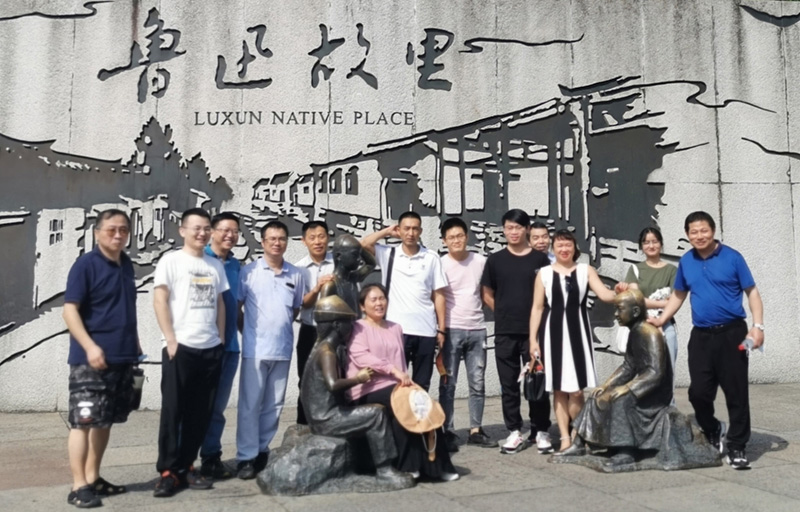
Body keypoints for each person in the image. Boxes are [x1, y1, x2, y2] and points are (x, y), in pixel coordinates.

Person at [649, 211, 764, 470]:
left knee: (736, 392)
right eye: (694, 232)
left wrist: (757, 327)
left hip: (733, 334)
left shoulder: (733, 257)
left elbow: (752, 292)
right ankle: (712, 428)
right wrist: (661, 318)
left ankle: (737, 446)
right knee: (698, 393)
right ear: (687, 234)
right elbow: (678, 295)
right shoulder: (687, 262)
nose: (699, 236)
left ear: (713, 231)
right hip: (701, 336)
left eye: (704, 230)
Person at [63, 209, 140, 508]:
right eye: (111, 230)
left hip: (121, 357)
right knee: (82, 422)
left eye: (123, 230)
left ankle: (93, 477)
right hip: (89, 361)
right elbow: (69, 310)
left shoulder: (126, 264)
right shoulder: (85, 265)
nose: (118, 235)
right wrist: (90, 347)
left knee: (104, 421)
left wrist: (135, 342)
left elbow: (125, 307)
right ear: (97, 233)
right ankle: (78, 486)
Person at [152, 208, 229, 497]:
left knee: (200, 413)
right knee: (173, 412)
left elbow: (220, 303)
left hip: (210, 349)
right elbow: (160, 300)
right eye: (196, 228)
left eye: (207, 228)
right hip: (180, 348)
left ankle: (186, 466)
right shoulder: (171, 260)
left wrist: (221, 338)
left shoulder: (215, 265)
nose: (202, 233)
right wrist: (170, 339)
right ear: (182, 230)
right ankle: (168, 471)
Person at [347, 284, 459, 482]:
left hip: (396, 385)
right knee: (405, 405)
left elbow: (400, 363)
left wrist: (408, 383)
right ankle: (409, 466)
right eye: (373, 300)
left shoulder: (395, 328)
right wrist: (393, 371)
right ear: (362, 306)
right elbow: (362, 357)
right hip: (368, 388)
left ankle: (439, 466)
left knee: (425, 404)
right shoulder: (358, 328)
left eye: (382, 298)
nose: (379, 303)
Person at [301, 294, 413, 489]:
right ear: (337, 325)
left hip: (323, 415)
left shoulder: (324, 348)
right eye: (348, 323)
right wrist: (358, 379)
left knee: (374, 412)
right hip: (325, 419)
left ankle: (372, 462)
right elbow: (333, 384)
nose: (352, 327)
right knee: (376, 414)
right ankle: (385, 470)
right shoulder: (327, 352)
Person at [529, 229, 617, 453]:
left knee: (577, 391)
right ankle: (565, 437)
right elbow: (537, 308)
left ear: (574, 247)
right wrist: (533, 340)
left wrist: (622, 290)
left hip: (579, 334)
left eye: (568, 244)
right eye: (559, 245)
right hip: (552, 335)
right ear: (553, 248)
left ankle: (578, 433)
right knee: (559, 389)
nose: (564, 249)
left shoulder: (585, 270)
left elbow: (605, 295)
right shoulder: (544, 274)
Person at [565, 289, 674, 466]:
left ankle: (625, 451)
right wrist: (606, 385)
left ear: (635, 311)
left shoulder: (650, 334)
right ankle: (579, 443)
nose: (616, 314)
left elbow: (656, 373)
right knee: (597, 395)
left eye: (620, 309)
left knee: (620, 399)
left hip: (655, 392)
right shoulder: (635, 332)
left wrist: (628, 388)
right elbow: (628, 366)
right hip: (643, 384)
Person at [236, 220, 304, 479]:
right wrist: (248, 333)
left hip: (282, 349)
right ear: (263, 242)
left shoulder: (295, 274)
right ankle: (246, 456)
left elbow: (295, 309)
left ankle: (262, 450)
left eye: (281, 238)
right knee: (250, 405)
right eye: (272, 239)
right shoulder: (249, 272)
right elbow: (237, 308)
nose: (277, 243)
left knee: (274, 405)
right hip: (255, 350)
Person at [481, 209, 552, 454]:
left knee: (537, 382)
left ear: (527, 230)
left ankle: (540, 430)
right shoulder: (495, 260)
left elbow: (547, 295)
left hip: (534, 333)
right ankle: (514, 431)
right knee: (508, 384)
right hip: (505, 332)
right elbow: (487, 294)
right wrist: (502, 312)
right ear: (503, 230)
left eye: (518, 227)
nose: (513, 232)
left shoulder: (540, 260)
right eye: (509, 227)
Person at [361, 212, 448, 392]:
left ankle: (418, 412)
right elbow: (364, 244)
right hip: (396, 330)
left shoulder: (431, 257)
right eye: (406, 228)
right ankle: (397, 413)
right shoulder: (388, 253)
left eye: (415, 229)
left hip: (426, 330)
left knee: (422, 385)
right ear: (399, 230)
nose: (410, 233)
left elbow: (439, 295)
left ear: (420, 231)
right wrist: (387, 231)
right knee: (395, 383)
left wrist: (441, 329)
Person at [438, 217, 494, 452]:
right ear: (444, 240)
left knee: (478, 383)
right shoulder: (440, 264)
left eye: (460, 236)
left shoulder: (480, 261)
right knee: (448, 384)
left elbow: (486, 293)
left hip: (477, 329)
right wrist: (440, 330)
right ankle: (447, 430)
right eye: (451, 237)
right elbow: (437, 298)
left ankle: (475, 430)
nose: (456, 240)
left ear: (467, 236)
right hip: (451, 330)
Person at [199, 212, 241, 480]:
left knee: (216, 408)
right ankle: (180, 460)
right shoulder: (198, 259)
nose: (230, 235)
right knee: (194, 405)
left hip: (230, 348)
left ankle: (211, 457)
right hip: (201, 346)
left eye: (234, 231)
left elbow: (238, 307)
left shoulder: (236, 266)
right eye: (225, 230)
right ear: (212, 232)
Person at [622, 227, 678, 382]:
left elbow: (675, 299)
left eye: (654, 241)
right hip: (642, 325)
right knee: (644, 373)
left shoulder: (671, 270)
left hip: (665, 324)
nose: (651, 246)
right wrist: (663, 302)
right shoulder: (635, 269)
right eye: (646, 242)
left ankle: (669, 399)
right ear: (641, 246)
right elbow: (637, 299)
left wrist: (652, 303)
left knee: (668, 371)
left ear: (661, 243)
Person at [294, 220, 335, 425]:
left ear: (328, 238)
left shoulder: (339, 263)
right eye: (312, 238)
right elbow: (303, 303)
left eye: (321, 236)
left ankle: (333, 422)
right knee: (306, 378)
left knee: (335, 377)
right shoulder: (299, 269)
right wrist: (317, 288)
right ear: (304, 241)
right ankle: (304, 423)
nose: (317, 241)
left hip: (335, 331)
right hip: (310, 330)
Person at [318, 233, 376, 314]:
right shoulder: (331, 285)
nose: (359, 259)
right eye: (355, 255)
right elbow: (323, 315)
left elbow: (371, 264)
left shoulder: (352, 278)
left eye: (359, 255)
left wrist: (359, 248)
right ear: (339, 256)